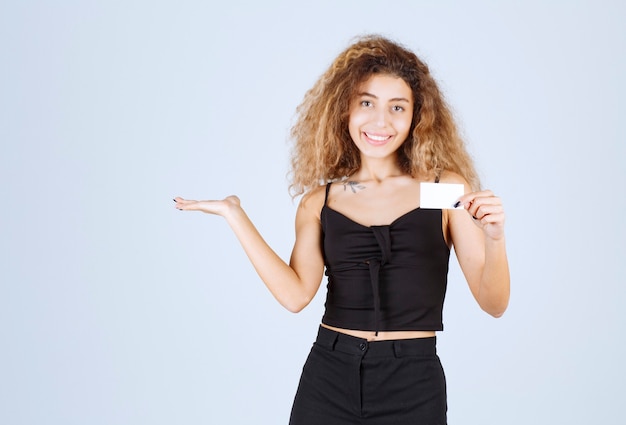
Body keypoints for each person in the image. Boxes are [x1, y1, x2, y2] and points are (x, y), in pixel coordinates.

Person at [174, 35, 510, 425]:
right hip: (329, 373)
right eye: (367, 103)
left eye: (397, 107)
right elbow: (296, 295)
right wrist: (235, 215)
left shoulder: (443, 190)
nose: (380, 121)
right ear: (345, 110)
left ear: (416, 116)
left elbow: (494, 303)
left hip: (413, 381)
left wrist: (495, 238)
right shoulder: (321, 202)